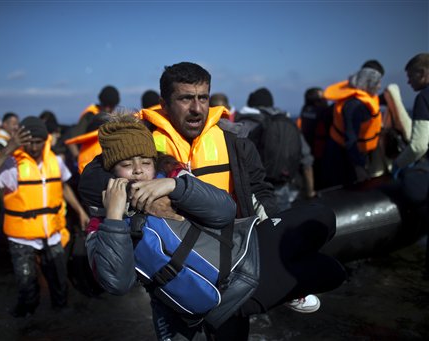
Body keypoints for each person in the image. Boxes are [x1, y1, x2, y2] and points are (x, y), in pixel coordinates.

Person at [79, 62, 315, 339]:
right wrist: (138, 195)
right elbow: (90, 179)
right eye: (185, 98)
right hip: (171, 277)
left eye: (203, 97)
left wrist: (273, 247)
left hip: (229, 262)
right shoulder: (144, 139)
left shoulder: (234, 141)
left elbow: (260, 193)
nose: (196, 107)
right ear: (163, 104)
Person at [86, 117, 346, 340]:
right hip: (224, 294)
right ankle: (253, 302)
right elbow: (116, 282)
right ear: (111, 170)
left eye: (145, 161)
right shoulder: (102, 222)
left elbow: (225, 211)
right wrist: (113, 217)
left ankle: (276, 293)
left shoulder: (170, 176)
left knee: (321, 217)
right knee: (331, 272)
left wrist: (174, 187)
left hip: (245, 249)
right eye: (126, 164)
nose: (138, 171)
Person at [0, 116, 90, 317]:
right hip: (22, 237)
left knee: (60, 288)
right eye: (29, 141)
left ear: (45, 140)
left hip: (52, 233)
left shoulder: (54, 161)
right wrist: (8, 149)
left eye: (38, 141)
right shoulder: (11, 164)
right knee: (28, 292)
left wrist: (80, 211)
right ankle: (25, 325)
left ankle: (61, 327)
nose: (34, 146)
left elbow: (63, 186)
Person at [234, 87, 316, 210]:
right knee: (283, 223)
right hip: (283, 185)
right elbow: (306, 159)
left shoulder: (246, 123)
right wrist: (310, 191)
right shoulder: (286, 122)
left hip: (254, 189)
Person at [392, 53, 429, 278]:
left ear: (423, 73)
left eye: (410, 76)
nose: (408, 82)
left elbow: (418, 145)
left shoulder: (424, 97)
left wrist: (398, 164)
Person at [323, 63, 384, 187]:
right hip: (343, 155)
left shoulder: (358, 98)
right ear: (368, 83)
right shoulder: (355, 106)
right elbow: (351, 139)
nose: (379, 86)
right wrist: (359, 167)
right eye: (377, 83)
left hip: (344, 150)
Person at [65, 85, 120, 169]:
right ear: (101, 102)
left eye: (111, 106)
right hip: (87, 162)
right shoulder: (90, 115)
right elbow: (72, 140)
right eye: (105, 105)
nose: (107, 109)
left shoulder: (114, 117)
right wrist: (78, 159)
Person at [297, 87, 332, 190]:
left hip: (308, 149)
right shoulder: (323, 111)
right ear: (316, 101)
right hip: (321, 151)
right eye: (323, 98)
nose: (326, 100)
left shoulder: (304, 110)